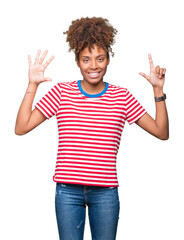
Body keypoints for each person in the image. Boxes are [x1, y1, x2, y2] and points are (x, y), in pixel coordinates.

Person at [15, 17, 169, 240]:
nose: (94, 66)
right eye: (86, 59)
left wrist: (158, 90)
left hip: (105, 193)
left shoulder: (122, 96)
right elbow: (21, 127)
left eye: (100, 58)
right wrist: (32, 85)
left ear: (108, 60)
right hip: (67, 191)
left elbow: (161, 132)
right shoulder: (61, 93)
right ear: (77, 61)